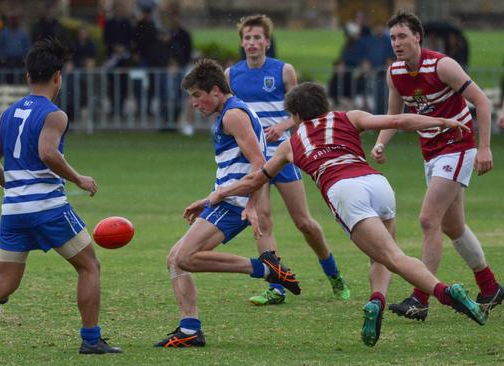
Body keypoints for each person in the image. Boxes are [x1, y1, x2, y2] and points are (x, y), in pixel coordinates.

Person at [208, 82, 488, 347]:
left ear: (295, 115)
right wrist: (442, 121)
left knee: (393, 257)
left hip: (344, 190)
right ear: (325, 105)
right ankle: (377, 299)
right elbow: (397, 121)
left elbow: (254, 180)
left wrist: (221, 193)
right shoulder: (347, 117)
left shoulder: (289, 145)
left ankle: (445, 292)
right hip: (377, 184)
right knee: (382, 255)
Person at [0, 38, 122, 355]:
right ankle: (91, 339)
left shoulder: (8, 113)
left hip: (14, 211)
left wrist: (15, 188)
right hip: (49, 209)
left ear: (28, 77)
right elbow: (47, 152)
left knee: (5, 282)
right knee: (89, 267)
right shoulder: (55, 114)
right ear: (58, 76)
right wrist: (79, 179)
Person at [154, 58, 300, 348]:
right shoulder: (231, 113)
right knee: (174, 259)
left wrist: (249, 205)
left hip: (232, 203)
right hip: (224, 199)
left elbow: (260, 164)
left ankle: (265, 269)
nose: (195, 104)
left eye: (198, 95)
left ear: (216, 91)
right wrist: (208, 198)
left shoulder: (233, 115)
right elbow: (236, 165)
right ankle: (189, 329)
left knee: (184, 258)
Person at [370, 11, 503, 321]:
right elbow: (394, 117)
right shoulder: (396, 73)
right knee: (452, 226)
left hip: (458, 146)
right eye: (393, 38)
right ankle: (490, 286)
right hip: (431, 152)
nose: (397, 43)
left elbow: (481, 102)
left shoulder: (442, 65)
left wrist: (484, 148)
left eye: (402, 36)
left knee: (428, 220)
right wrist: (380, 142)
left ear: (418, 37)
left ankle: (420, 298)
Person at [225, 14, 350, 305]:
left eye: (258, 38)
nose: (252, 43)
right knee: (263, 221)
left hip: (284, 156)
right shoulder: (232, 75)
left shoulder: (283, 71)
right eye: (247, 38)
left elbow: (299, 113)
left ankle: (333, 273)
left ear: (267, 41)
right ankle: (276, 286)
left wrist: (283, 126)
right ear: (242, 42)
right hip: (255, 161)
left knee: (304, 222)